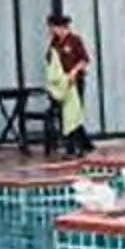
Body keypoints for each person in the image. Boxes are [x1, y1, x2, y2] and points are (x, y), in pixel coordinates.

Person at [43, 11, 94, 157]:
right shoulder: (54, 42)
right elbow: (50, 60)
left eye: (53, 27)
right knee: (66, 115)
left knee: (74, 113)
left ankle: (73, 148)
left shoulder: (75, 40)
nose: (51, 31)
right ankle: (85, 144)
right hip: (62, 85)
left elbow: (84, 60)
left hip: (75, 82)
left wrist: (74, 72)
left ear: (60, 27)